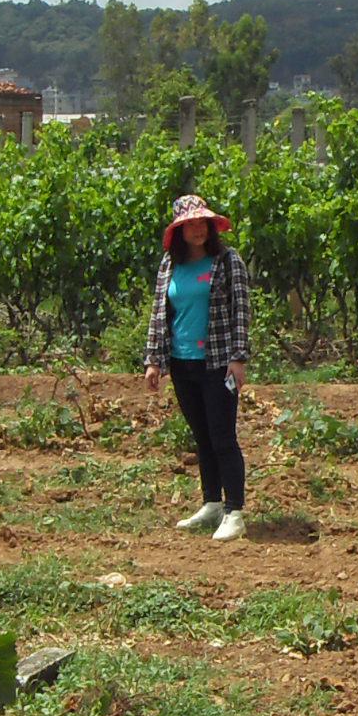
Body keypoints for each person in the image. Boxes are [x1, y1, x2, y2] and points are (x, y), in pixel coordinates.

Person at [141, 192, 252, 542]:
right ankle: (212, 504)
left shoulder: (227, 260)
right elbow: (160, 314)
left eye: (201, 223)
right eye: (190, 225)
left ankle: (235, 510)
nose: (198, 230)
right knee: (202, 437)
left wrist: (238, 357)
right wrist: (153, 360)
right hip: (183, 363)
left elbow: (242, 310)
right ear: (179, 232)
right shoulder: (169, 265)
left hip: (218, 362)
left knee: (222, 437)